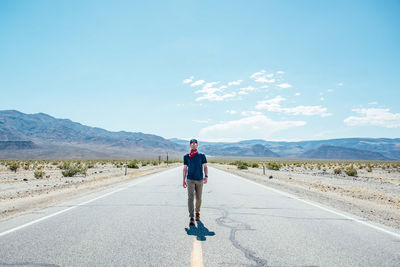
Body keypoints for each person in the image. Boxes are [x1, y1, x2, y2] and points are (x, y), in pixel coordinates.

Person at [183, 139, 208, 226]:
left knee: (199, 198)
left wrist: (206, 176)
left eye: (195, 143)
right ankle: (191, 217)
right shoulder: (186, 156)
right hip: (190, 179)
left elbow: (205, 167)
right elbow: (185, 168)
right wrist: (183, 180)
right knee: (190, 198)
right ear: (190, 145)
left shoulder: (202, 156)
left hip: (199, 179)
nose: (193, 145)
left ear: (197, 145)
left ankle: (197, 212)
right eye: (192, 144)